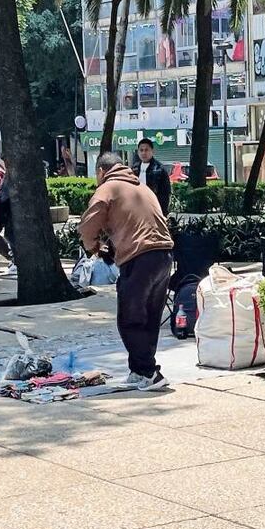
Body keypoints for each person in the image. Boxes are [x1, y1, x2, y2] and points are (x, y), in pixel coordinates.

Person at [79, 152, 174, 391]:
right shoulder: (142, 187)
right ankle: (139, 370)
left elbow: (88, 224)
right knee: (150, 318)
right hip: (164, 255)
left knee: (130, 319)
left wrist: (92, 246)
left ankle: (150, 373)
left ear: (101, 171)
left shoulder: (108, 188)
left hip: (138, 257)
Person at [131, 139, 172, 215]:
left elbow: (165, 193)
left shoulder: (160, 169)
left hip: (154, 208)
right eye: (141, 150)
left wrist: (162, 212)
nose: (143, 153)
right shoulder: (134, 169)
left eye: (146, 150)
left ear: (152, 151)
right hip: (137, 208)